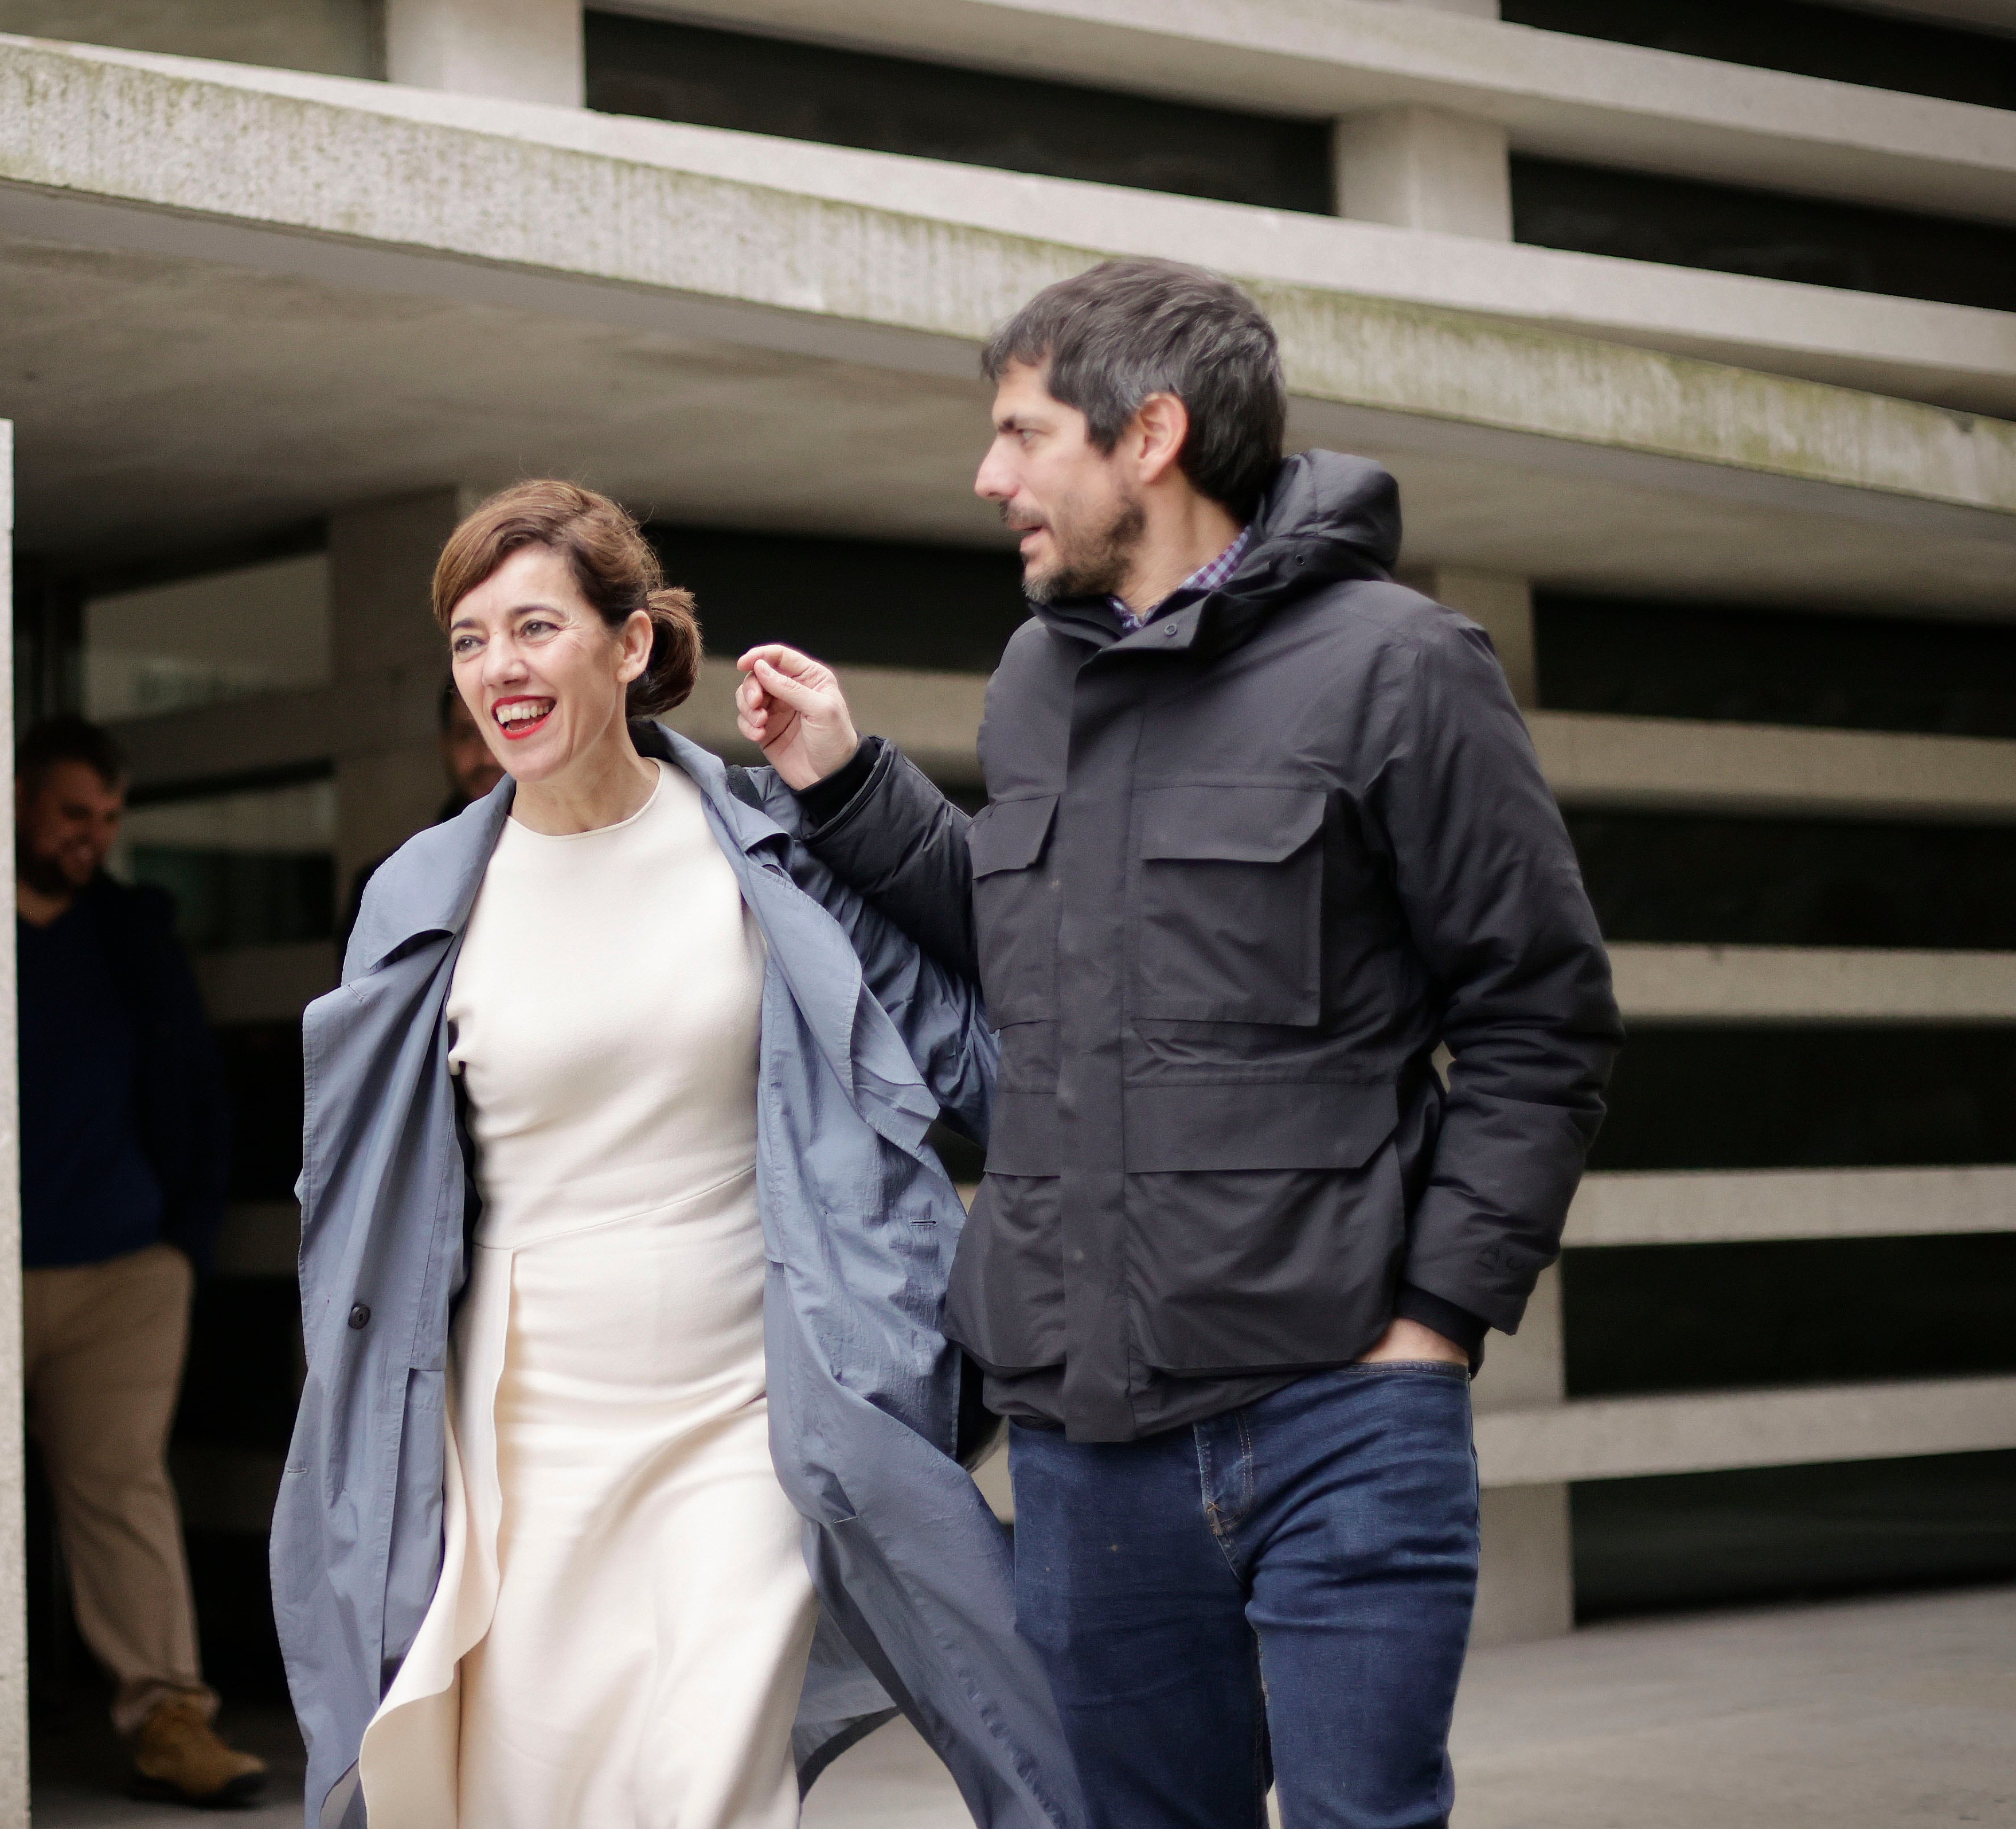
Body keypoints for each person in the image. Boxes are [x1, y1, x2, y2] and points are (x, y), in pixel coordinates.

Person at [734, 258, 1622, 1829]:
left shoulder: (1400, 669)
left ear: (1148, 433)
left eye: (1019, 433)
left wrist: (1432, 1323)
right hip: (1085, 1445)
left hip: (1339, 1407)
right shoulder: (1033, 682)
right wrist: (849, 781)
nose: (986, 476)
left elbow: (1536, 1014)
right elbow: (1023, 947)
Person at [271, 482, 1077, 1829]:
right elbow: (358, 1195)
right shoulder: (416, 902)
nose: (497, 668)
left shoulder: (771, 856)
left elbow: (990, 1066)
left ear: (631, 643)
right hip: (519, 1431)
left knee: (705, 1785)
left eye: (534, 626)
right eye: (468, 640)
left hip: (748, 1418)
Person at [14, 716, 269, 1808]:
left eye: (110, 819)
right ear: (18, 797)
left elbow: (194, 1089)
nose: (93, 836)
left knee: (119, 1488)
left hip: (123, 1267)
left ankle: (169, 1716)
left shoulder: (130, 930)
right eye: (75, 813)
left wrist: (182, 1243)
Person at [338, 679, 503, 951]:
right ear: (445, 746)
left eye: (501, 728)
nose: (487, 757)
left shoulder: (574, 850)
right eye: (469, 735)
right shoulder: (389, 887)